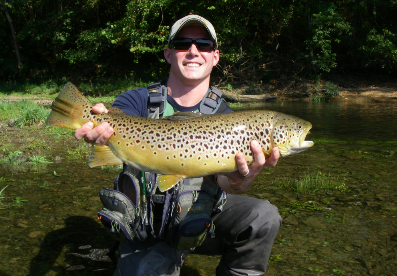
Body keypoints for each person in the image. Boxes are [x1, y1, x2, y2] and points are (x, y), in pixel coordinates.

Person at [75, 14, 282, 276]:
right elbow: (112, 125)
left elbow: (225, 182)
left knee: (263, 217)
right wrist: (96, 123)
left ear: (215, 56)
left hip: (198, 218)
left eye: (203, 45)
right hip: (145, 222)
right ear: (169, 54)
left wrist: (242, 180)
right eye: (183, 44)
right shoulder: (137, 101)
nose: (193, 51)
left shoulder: (227, 117)